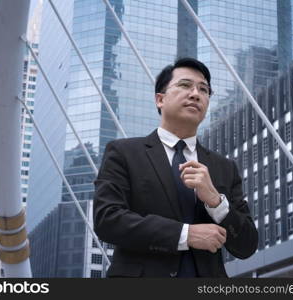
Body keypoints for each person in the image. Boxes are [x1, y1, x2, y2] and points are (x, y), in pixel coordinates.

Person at [93, 57, 258, 277]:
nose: (195, 94)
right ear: (160, 99)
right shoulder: (124, 152)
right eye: (184, 85)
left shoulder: (224, 168)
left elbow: (246, 245)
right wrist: (186, 234)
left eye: (204, 90)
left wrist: (215, 201)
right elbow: (107, 219)